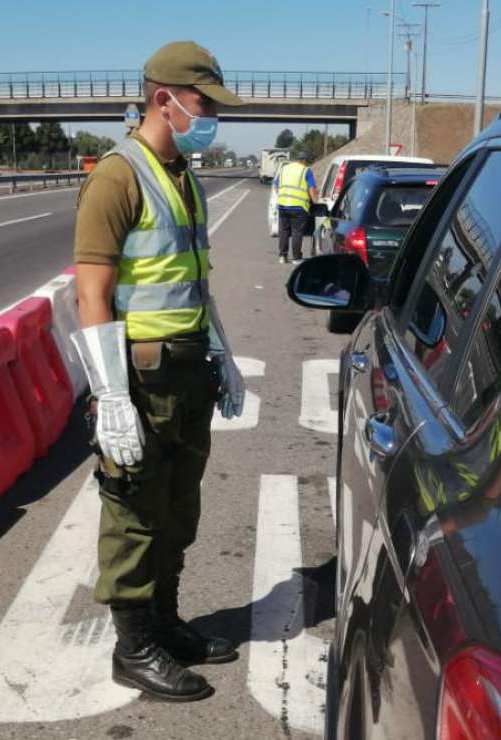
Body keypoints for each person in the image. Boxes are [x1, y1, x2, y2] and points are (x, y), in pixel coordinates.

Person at [70, 40, 247, 703]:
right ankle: (134, 645)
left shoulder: (183, 176)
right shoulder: (118, 176)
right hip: (141, 380)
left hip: (188, 370)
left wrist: (222, 351)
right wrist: (111, 395)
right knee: (135, 514)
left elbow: (193, 282)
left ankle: (166, 623)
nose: (211, 119)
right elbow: (91, 294)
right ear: (162, 99)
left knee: (177, 509)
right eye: (204, 105)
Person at [274, 150, 318, 263]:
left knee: (284, 232)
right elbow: (312, 188)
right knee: (296, 233)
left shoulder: (285, 169)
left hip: (283, 205)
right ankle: (296, 258)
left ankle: (282, 256)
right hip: (299, 207)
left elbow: (276, 186)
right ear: (304, 160)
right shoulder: (306, 170)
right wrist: (315, 203)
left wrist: (283, 196)